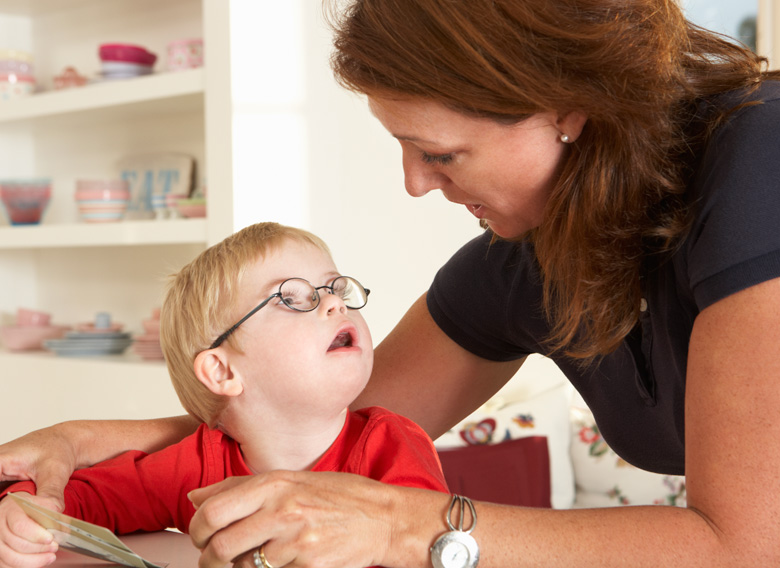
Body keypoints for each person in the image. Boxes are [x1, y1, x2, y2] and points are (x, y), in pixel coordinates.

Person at [2, 0, 780, 566]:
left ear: (565, 104)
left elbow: (753, 546)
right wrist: (83, 439)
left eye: (441, 152)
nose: (417, 183)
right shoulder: (525, 263)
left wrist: (396, 520)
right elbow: (311, 418)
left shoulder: (771, 164)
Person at [0, 222, 448, 568]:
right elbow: (81, 501)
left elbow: (426, 549)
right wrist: (23, 519)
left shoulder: (394, 446)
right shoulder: (199, 463)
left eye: (334, 287)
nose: (335, 303)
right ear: (222, 370)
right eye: (292, 299)